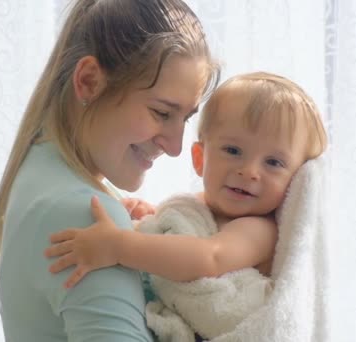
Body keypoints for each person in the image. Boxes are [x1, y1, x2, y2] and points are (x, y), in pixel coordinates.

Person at [0, 0, 220, 341]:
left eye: (185, 118)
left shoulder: (39, 171)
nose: (175, 146)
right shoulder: (86, 217)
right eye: (161, 112)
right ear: (89, 81)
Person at [44, 71, 328, 291]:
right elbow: (183, 239)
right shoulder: (199, 206)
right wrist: (156, 220)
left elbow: (208, 258)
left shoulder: (259, 230)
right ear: (199, 158)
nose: (250, 171)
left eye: (274, 163)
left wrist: (118, 245)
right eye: (233, 151)